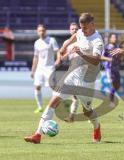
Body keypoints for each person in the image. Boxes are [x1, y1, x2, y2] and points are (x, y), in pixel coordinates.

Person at [24, 13, 104, 143]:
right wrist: (64, 47)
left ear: (92, 24)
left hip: (87, 80)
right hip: (73, 74)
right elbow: (74, 36)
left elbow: (96, 61)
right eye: (81, 27)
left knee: (87, 110)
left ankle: (97, 127)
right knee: (54, 100)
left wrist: (81, 53)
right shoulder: (80, 32)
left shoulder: (97, 41)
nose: (82, 31)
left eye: (85, 28)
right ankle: (37, 135)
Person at [31, 24, 59, 113]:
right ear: (37, 32)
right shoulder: (37, 43)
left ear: (45, 31)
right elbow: (35, 57)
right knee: (37, 86)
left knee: (53, 87)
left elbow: (57, 51)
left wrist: (58, 60)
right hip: (39, 68)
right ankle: (40, 107)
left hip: (49, 67)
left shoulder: (51, 40)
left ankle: (56, 104)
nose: (41, 32)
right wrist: (33, 70)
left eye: (43, 30)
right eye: (40, 31)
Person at [55, 22, 79, 122]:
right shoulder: (67, 43)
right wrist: (61, 58)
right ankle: (71, 115)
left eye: (76, 29)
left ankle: (88, 114)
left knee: (81, 98)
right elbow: (63, 57)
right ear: (70, 30)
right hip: (72, 71)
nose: (74, 30)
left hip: (83, 71)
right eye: (72, 29)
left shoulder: (83, 41)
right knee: (74, 96)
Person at [102, 33, 121, 103]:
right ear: (110, 39)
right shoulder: (107, 47)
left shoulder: (117, 47)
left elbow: (119, 58)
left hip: (116, 68)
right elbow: (101, 57)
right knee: (113, 83)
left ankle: (111, 95)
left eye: (115, 37)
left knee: (118, 85)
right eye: (113, 37)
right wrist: (109, 59)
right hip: (109, 69)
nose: (115, 39)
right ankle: (111, 100)